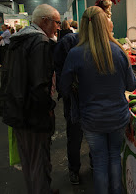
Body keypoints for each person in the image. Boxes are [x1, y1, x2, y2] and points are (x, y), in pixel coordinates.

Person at [60, 6, 136, 194]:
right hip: (118, 117)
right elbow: (132, 86)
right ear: (105, 25)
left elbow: (62, 87)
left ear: (84, 26)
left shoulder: (75, 54)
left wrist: (78, 85)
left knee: (100, 161)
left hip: (92, 118)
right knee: (114, 157)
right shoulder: (119, 51)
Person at [0, 4, 61, 194]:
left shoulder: (18, 40)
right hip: (33, 114)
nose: (58, 27)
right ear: (45, 21)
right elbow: (39, 84)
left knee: (28, 160)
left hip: (17, 109)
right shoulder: (40, 42)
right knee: (38, 161)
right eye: (56, 22)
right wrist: (49, 106)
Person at [54, 32, 82, 184]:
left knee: (80, 135)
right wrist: (68, 91)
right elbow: (61, 73)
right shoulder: (70, 42)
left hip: (85, 99)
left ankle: (79, 169)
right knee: (75, 136)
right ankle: (74, 170)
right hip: (74, 100)